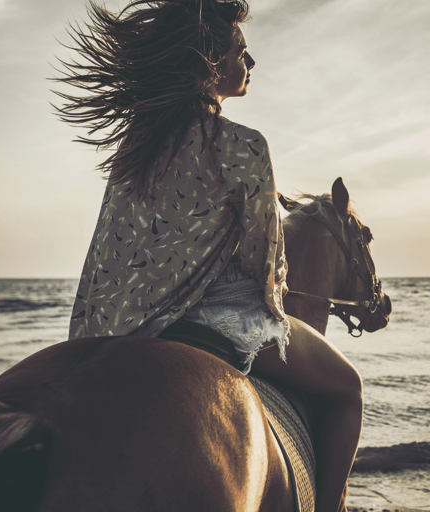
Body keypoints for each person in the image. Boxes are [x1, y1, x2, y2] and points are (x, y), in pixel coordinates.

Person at [57, 1, 362, 510]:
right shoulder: (244, 145)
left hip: (126, 328)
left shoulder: (137, 148)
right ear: (209, 64)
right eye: (241, 52)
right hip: (218, 323)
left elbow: (114, 246)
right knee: (346, 389)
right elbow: (267, 267)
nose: (252, 62)